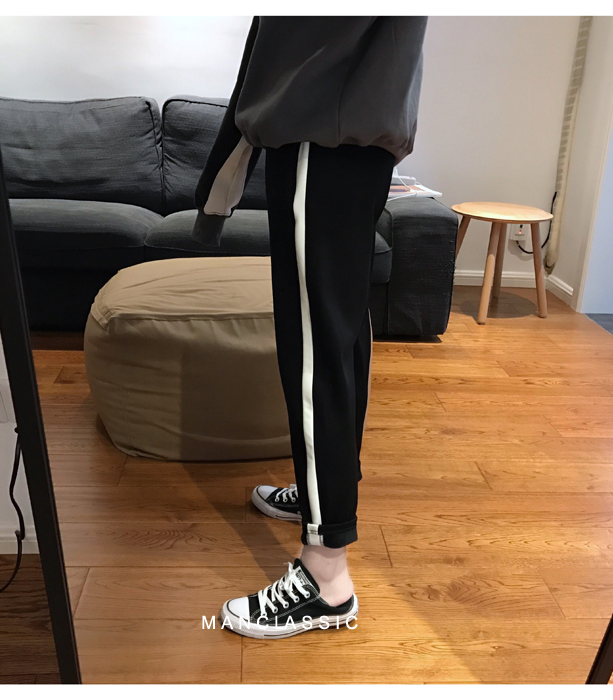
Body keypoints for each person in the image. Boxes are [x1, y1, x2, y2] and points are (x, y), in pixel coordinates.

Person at [191, 16, 428, 639]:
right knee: (341, 336)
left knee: (315, 349)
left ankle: (326, 577)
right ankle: (325, 494)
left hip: (322, 127)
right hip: (357, 129)